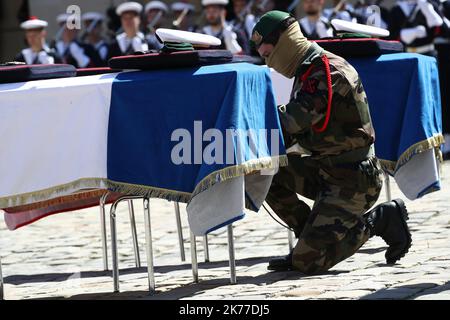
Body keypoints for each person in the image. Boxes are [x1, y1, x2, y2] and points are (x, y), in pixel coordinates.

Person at [250, 11, 412, 274]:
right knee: (265, 170)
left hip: (353, 179)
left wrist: (244, 121)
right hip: (325, 168)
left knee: (308, 263)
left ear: (285, 41)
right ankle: (309, 238)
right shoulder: (307, 67)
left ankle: (380, 221)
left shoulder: (326, 72)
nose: (267, 61)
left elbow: (290, 123)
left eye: (268, 54)